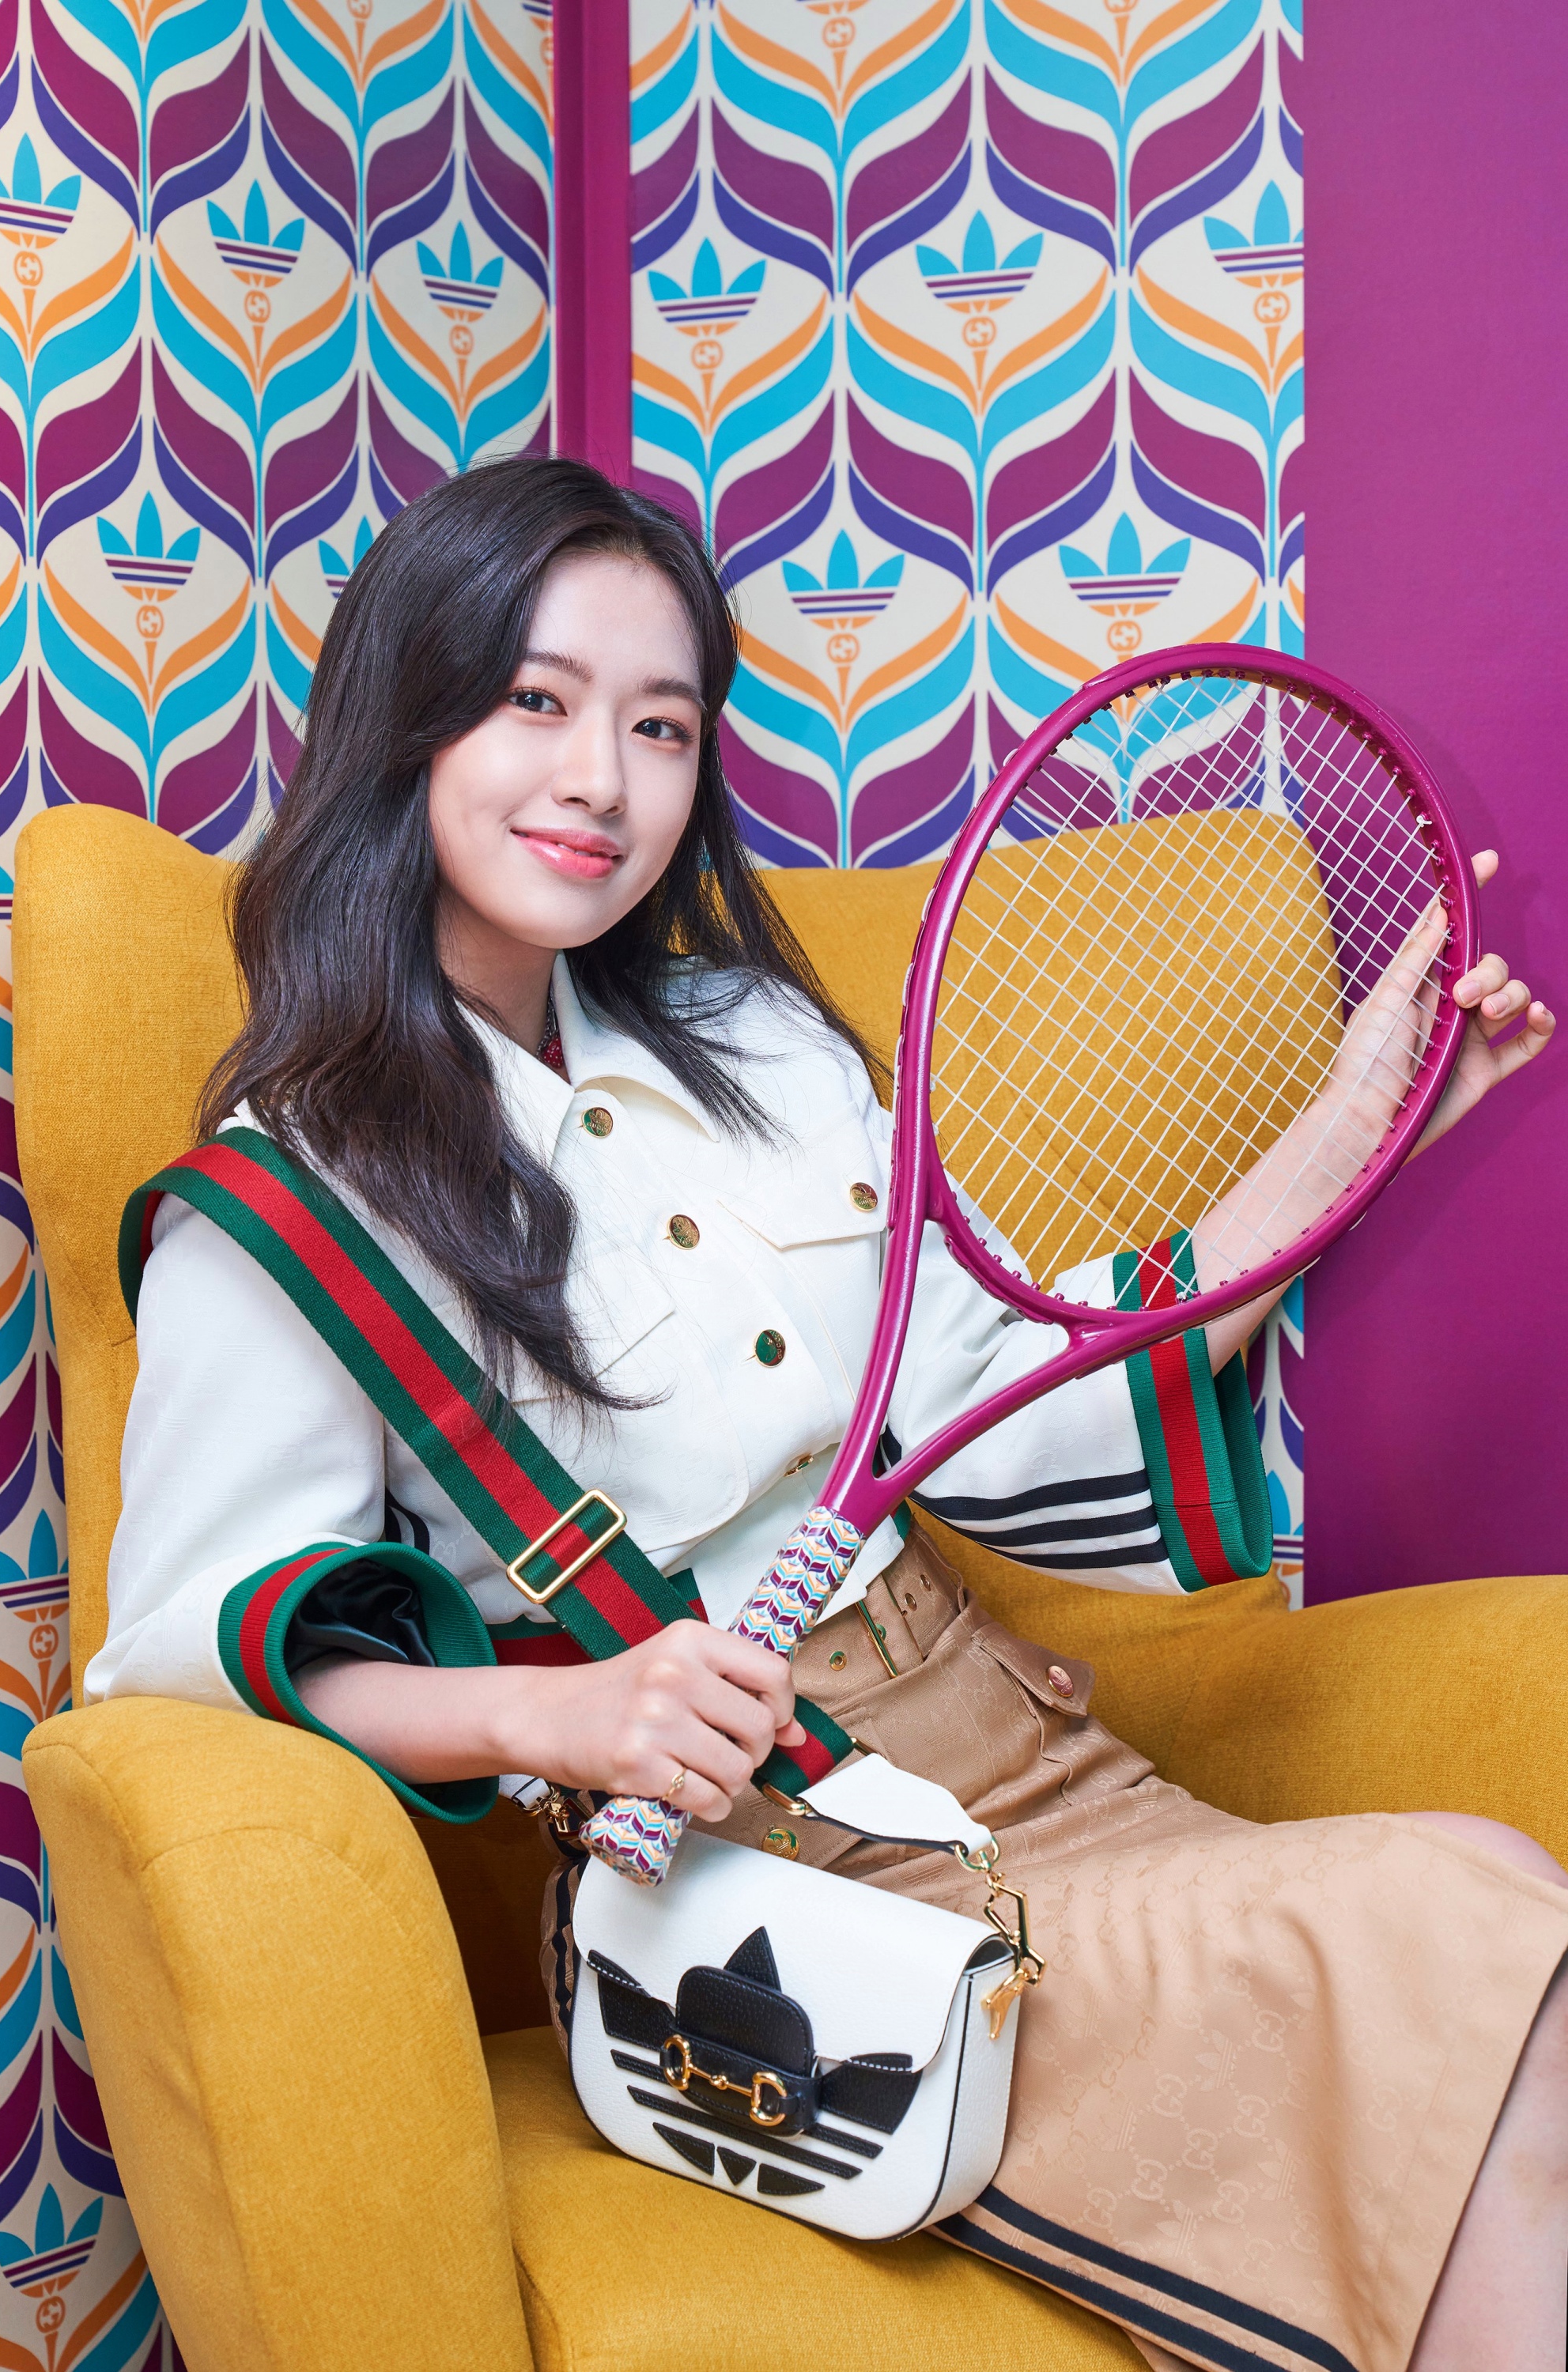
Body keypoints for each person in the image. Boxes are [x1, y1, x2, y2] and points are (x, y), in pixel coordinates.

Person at [89, 456, 1565, 2372]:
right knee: (1470, 1920)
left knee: (1493, 1968)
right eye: (535, 700)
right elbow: (187, 1653)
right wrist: (558, 1714)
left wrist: (1352, 1133)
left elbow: (989, 1400)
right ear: (407, 715)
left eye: (659, 725)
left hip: (1032, 1764)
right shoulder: (289, 1203)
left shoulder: (764, 1049)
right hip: (757, 1883)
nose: (600, 781)